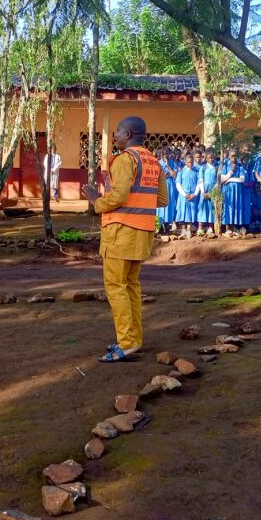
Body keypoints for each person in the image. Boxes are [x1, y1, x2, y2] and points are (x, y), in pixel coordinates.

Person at [82, 116, 168, 363]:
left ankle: (127, 343)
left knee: (116, 287)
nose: (115, 136)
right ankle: (133, 339)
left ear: (128, 135)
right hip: (142, 233)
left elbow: (118, 195)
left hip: (120, 233)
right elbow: (162, 200)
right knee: (131, 286)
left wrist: (98, 202)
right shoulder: (152, 161)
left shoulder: (124, 160)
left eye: (118, 131)